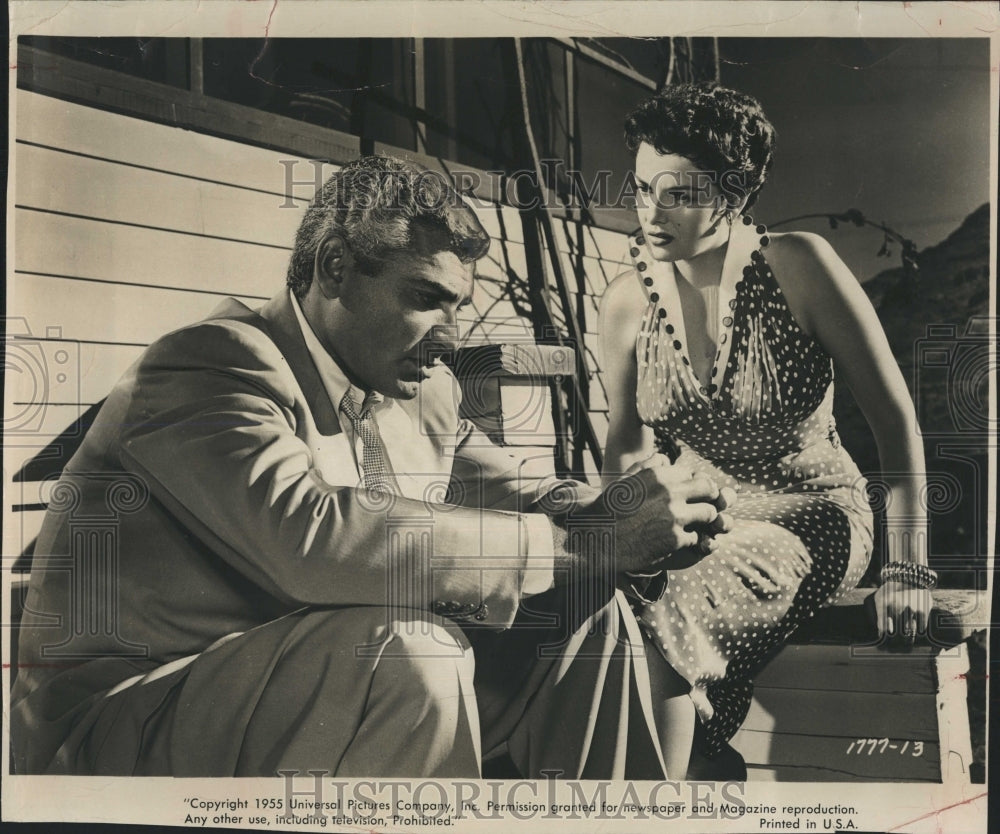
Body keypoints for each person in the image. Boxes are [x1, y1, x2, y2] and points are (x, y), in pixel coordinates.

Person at [12, 155, 731, 779]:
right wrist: (587, 540)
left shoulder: (415, 392)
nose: (449, 338)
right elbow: (315, 540)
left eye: (458, 307)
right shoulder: (211, 363)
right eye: (425, 299)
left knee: (582, 609)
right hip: (132, 718)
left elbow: (515, 494)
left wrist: (628, 509)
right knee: (413, 652)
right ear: (334, 268)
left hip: (311, 687)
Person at [599, 83, 935, 778]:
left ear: (733, 194)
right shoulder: (626, 298)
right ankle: (694, 768)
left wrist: (906, 567)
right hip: (699, 514)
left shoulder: (798, 266)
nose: (650, 213)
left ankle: (663, 801)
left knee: (672, 604)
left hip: (811, 516)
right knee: (590, 592)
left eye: (679, 195)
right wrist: (624, 530)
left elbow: (895, 422)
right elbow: (626, 443)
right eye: (641, 188)